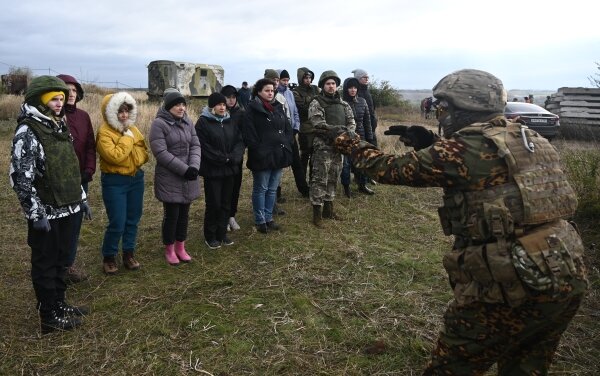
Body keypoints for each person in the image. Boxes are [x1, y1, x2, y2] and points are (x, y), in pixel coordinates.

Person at [335, 69, 588, 375]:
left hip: (510, 283)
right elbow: (493, 172)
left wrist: (346, 141)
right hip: (565, 269)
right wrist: (431, 142)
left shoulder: (462, 148)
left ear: (463, 109)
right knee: (526, 366)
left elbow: (385, 168)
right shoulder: (528, 137)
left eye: (443, 109)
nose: (440, 116)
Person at [10, 75, 91, 333]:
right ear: (41, 101)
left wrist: (82, 198)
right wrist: (36, 214)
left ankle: (59, 303)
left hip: (68, 207)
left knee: (60, 261)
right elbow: (21, 177)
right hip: (46, 213)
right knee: (45, 264)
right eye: (54, 99)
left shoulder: (57, 125)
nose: (60, 102)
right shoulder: (28, 131)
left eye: (61, 98)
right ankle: (49, 316)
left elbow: (69, 166)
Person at [96, 92, 149, 274]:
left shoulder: (133, 129)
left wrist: (133, 156)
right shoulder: (104, 132)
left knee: (133, 219)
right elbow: (115, 156)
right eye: (120, 111)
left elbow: (144, 153)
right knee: (118, 221)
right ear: (111, 112)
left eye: (126, 111)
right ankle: (109, 256)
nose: (124, 115)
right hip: (115, 181)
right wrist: (127, 140)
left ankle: (128, 253)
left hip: (136, 179)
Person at [149, 89, 201, 265]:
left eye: (183, 104)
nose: (181, 108)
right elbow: (161, 152)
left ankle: (181, 246)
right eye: (177, 105)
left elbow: (195, 145)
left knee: (184, 214)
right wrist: (184, 169)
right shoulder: (159, 124)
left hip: (188, 175)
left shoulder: (188, 122)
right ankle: (169, 249)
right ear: (169, 106)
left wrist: (193, 166)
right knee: (172, 214)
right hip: (170, 177)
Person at [57, 74, 96, 284]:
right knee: (59, 224)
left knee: (74, 223)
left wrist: (89, 170)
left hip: (81, 179)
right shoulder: (50, 117)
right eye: (66, 89)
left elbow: (90, 145)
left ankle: (68, 265)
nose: (71, 94)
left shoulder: (83, 116)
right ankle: (55, 267)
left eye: (74, 90)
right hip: (58, 182)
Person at [242, 78, 293, 233]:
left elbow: (287, 128)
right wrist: (259, 149)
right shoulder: (251, 110)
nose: (270, 93)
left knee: (272, 189)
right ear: (259, 92)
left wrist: (286, 142)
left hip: (278, 154)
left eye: (272, 90)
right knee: (261, 188)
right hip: (262, 156)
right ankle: (260, 220)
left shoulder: (277, 107)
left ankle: (269, 217)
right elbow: (249, 135)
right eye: (267, 90)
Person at [195, 92, 245, 248]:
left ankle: (222, 233)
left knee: (226, 203)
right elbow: (204, 146)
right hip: (213, 170)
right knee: (214, 203)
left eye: (224, 104)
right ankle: (210, 235)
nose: (222, 107)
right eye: (219, 104)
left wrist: (234, 157)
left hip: (230, 170)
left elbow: (239, 142)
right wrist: (223, 158)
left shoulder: (230, 121)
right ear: (212, 107)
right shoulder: (203, 123)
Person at [308, 70, 356, 227]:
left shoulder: (343, 104)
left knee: (334, 177)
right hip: (323, 146)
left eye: (333, 83)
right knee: (319, 179)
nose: (331, 86)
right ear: (322, 86)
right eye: (328, 83)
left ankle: (328, 210)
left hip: (338, 147)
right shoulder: (317, 102)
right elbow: (318, 123)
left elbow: (351, 121)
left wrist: (349, 132)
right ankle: (317, 214)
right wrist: (337, 129)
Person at [278, 69, 309, 198]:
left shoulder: (290, 94)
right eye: (283, 80)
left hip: (291, 134)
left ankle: (304, 189)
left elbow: (295, 112)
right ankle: (276, 192)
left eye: (287, 80)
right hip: (278, 136)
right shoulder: (272, 94)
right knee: (278, 164)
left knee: (296, 162)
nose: (286, 83)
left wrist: (296, 128)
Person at [340, 77, 373, 197]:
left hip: (361, 137)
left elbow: (367, 121)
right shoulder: (341, 103)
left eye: (355, 87)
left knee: (362, 162)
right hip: (347, 138)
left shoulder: (362, 101)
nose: (353, 90)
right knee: (346, 165)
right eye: (350, 87)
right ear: (346, 89)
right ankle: (346, 188)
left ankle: (362, 185)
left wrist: (369, 137)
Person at [221, 84, 246, 231]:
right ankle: (222, 218)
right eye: (228, 98)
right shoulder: (218, 112)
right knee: (223, 188)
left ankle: (231, 216)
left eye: (233, 97)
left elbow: (243, 136)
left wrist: (238, 154)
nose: (231, 101)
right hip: (221, 157)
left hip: (237, 157)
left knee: (235, 186)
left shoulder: (241, 113)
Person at [293, 67, 320, 183]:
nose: (308, 80)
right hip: (304, 128)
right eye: (305, 78)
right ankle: (302, 182)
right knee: (304, 156)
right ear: (301, 79)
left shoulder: (315, 89)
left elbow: (322, 102)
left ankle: (313, 181)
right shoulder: (296, 91)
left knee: (315, 157)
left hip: (317, 127)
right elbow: (303, 109)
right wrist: (315, 102)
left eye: (309, 78)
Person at [352, 68, 378, 146]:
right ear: (358, 79)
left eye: (367, 77)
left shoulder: (367, 92)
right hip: (361, 131)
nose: (367, 79)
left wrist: (375, 121)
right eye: (364, 77)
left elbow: (372, 109)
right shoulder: (355, 93)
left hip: (371, 129)